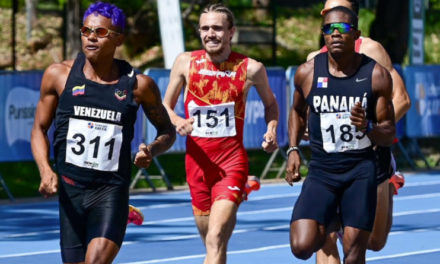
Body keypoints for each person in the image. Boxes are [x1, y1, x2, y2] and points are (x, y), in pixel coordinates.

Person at [30, 2, 175, 263]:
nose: (91, 37)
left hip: (110, 193)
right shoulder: (58, 76)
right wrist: (45, 169)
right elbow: (39, 129)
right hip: (71, 193)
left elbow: (167, 131)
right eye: (86, 30)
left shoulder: (138, 85)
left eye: (101, 32)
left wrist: (150, 150)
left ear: (118, 38)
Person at [162, 3, 279, 264]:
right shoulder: (185, 62)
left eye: (217, 28)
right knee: (212, 244)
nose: (210, 33)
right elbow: (164, 106)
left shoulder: (251, 68)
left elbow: (271, 104)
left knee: (215, 238)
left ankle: (239, 188)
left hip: (231, 164)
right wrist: (176, 119)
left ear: (231, 32)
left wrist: (271, 130)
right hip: (197, 164)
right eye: (205, 28)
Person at [286, 6, 395, 264]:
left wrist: (368, 128)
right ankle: (330, 218)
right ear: (323, 35)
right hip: (322, 171)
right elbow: (296, 111)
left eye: (342, 28)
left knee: (354, 252)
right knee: (301, 246)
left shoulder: (376, 75)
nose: (335, 34)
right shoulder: (308, 72)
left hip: (360, 171)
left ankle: (338, 217)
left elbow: (389, 131)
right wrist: (292, 149)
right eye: (328, 29)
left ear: (356, 34)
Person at [307, 1, 411, 263]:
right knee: (325, 237)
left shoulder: (371, 49)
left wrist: (370, 131)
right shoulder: (314, 60)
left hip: (370, 157)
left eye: (341, 21)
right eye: (327, 19)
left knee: (372, 242)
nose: (335, 27)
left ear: (353, 18)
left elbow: (401, 99)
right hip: (329, 161)